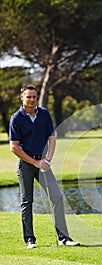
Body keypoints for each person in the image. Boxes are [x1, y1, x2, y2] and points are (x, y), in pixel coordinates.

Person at [9, 85, 80, 248]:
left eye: (34, 96)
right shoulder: (16, 118)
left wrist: (48, 159)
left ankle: (64, 238)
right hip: (26, 165)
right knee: (27, 201)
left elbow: (52, 138)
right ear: (22, 98)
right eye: (28, 97)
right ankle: (30, 239)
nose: (32, 100)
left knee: (57, 196)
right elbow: (14, 147)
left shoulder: (44, 114)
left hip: (43, 163)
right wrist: (35, 163)